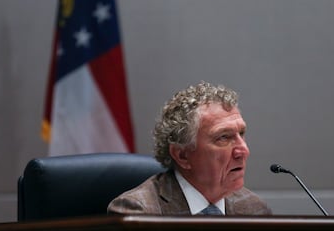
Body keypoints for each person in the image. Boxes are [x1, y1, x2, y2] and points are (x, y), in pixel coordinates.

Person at [108, 81, 271, 216]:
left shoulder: (254, 209)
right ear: (182, 155)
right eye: (224, 137)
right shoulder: (138, 213)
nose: (243, 151)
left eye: (241, 133)